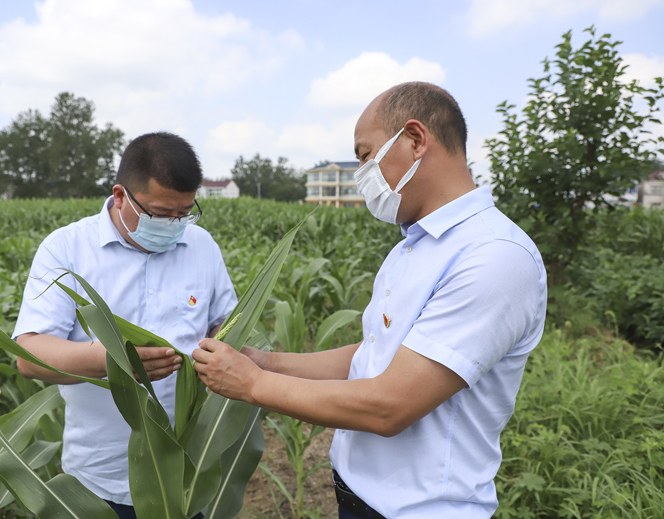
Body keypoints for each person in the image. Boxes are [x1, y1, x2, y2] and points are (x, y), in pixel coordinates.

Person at [192, 82, 547, 519]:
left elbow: (389, 405)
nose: (362, 173)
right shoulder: (413, 247)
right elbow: (374, 354)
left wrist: (251, 384)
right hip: (359, 498)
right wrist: (268, 363)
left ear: (415, 140)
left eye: (365, 155)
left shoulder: (493, 256)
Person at [13, 132, 237, 519]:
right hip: (100, 480)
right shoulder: (66, 249)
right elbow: (30, 355)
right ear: (120, 196)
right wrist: (112, 359)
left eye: (184, 212)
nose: (174, 223)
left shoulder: (202, 246)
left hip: (188, 473)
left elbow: (226, 328)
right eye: (159, 213)